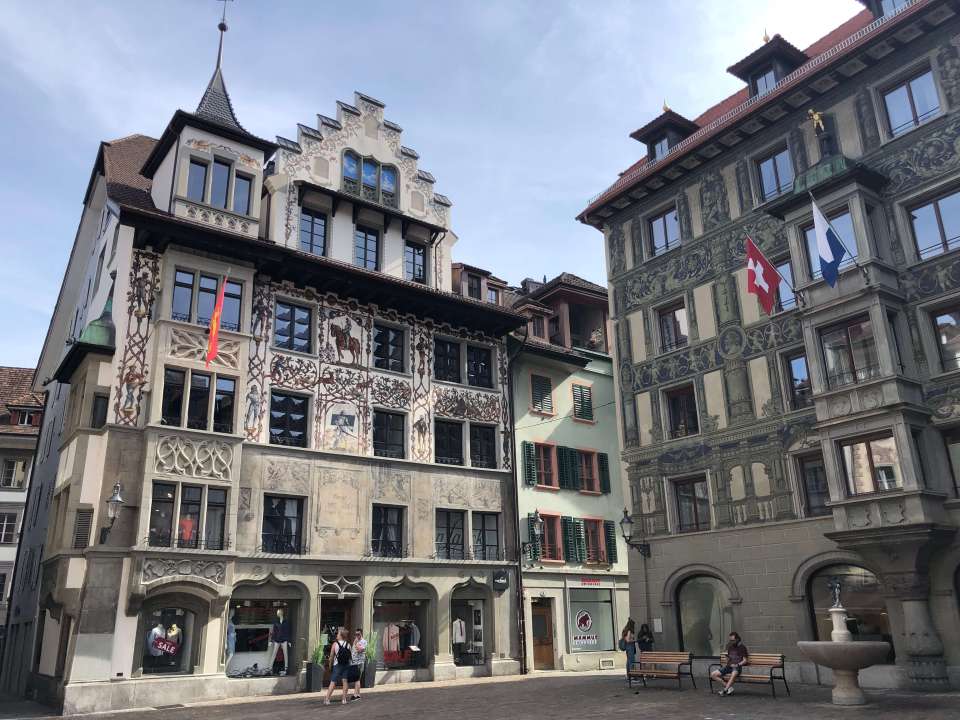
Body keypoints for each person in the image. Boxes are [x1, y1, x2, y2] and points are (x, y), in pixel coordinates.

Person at [711, 632, 749, 696]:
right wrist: (727, 659)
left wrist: (737, 665)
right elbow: (729, 658)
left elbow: (745, 660)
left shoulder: (742, 647)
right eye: (731, 640)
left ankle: (724, 690)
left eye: (733, 640)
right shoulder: (730, 647)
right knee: (713, 674)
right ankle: (729, 687)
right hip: (729, 666)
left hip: (737, 667)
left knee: (733, 674)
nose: (732, 642)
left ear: (737, 639)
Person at [324, 627, 352, 706]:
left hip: (337, 665)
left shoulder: (335, 644)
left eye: (338, 634)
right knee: (345, 682)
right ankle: (344, 699)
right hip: (346, 665)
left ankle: (327, 699)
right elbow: (350, 657)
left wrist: (330, 666)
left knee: (333, 682)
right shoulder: (348, 644)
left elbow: (331, 656)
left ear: (340, 635)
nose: (337, 635)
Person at [348, 628, 367, 701]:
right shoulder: (356, 641)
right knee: (357, 678)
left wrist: (355, 644)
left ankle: (355, 695)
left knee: (357, 679)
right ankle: (358, 695)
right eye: (355, 634)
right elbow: (353, 651)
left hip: (360, 663)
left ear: (361, 634)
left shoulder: (364, 642)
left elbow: (360, 650)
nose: (357, 636)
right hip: (354, 662)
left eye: (358, 634)